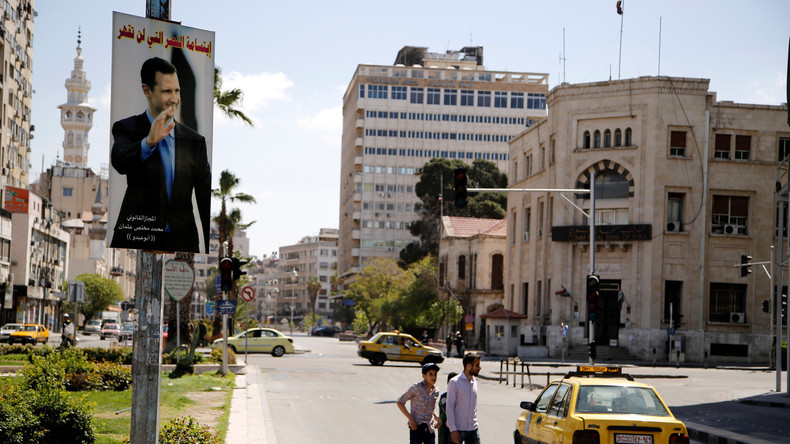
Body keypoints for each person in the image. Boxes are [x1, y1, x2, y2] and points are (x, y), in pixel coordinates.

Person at [110, 57, 211, 253]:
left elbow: (204, 198)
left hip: (182, 243)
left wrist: (208, 247)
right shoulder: (127, 127)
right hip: (137, 238)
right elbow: (119, 161)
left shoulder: (195, 142)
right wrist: (148, 142)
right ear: (147, 91)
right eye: (167, 91)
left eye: (177, 91)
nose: (174, 98)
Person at [397, 363, 442, 444]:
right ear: (424, 376)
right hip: (416, 427)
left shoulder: (436, 391)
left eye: (435, 374)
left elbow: (431, 408)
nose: (434, 377)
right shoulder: (416, 388)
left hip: (429, 427)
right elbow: (400, 402)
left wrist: (438, 419)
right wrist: (411, 419)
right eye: (430, 374)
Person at [446, 353, 481, 444]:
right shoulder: (454, 382)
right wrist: (453, 429)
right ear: (469, 366)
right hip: (458, 429)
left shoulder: (474, 382)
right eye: (477, 365)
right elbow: (449, 407)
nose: (480, 368)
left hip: (473, 429)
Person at [438, 371, 458, 444]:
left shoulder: (459, 397)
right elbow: (447, 410)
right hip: (444, 428)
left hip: (455, 429)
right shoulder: (444, 397)